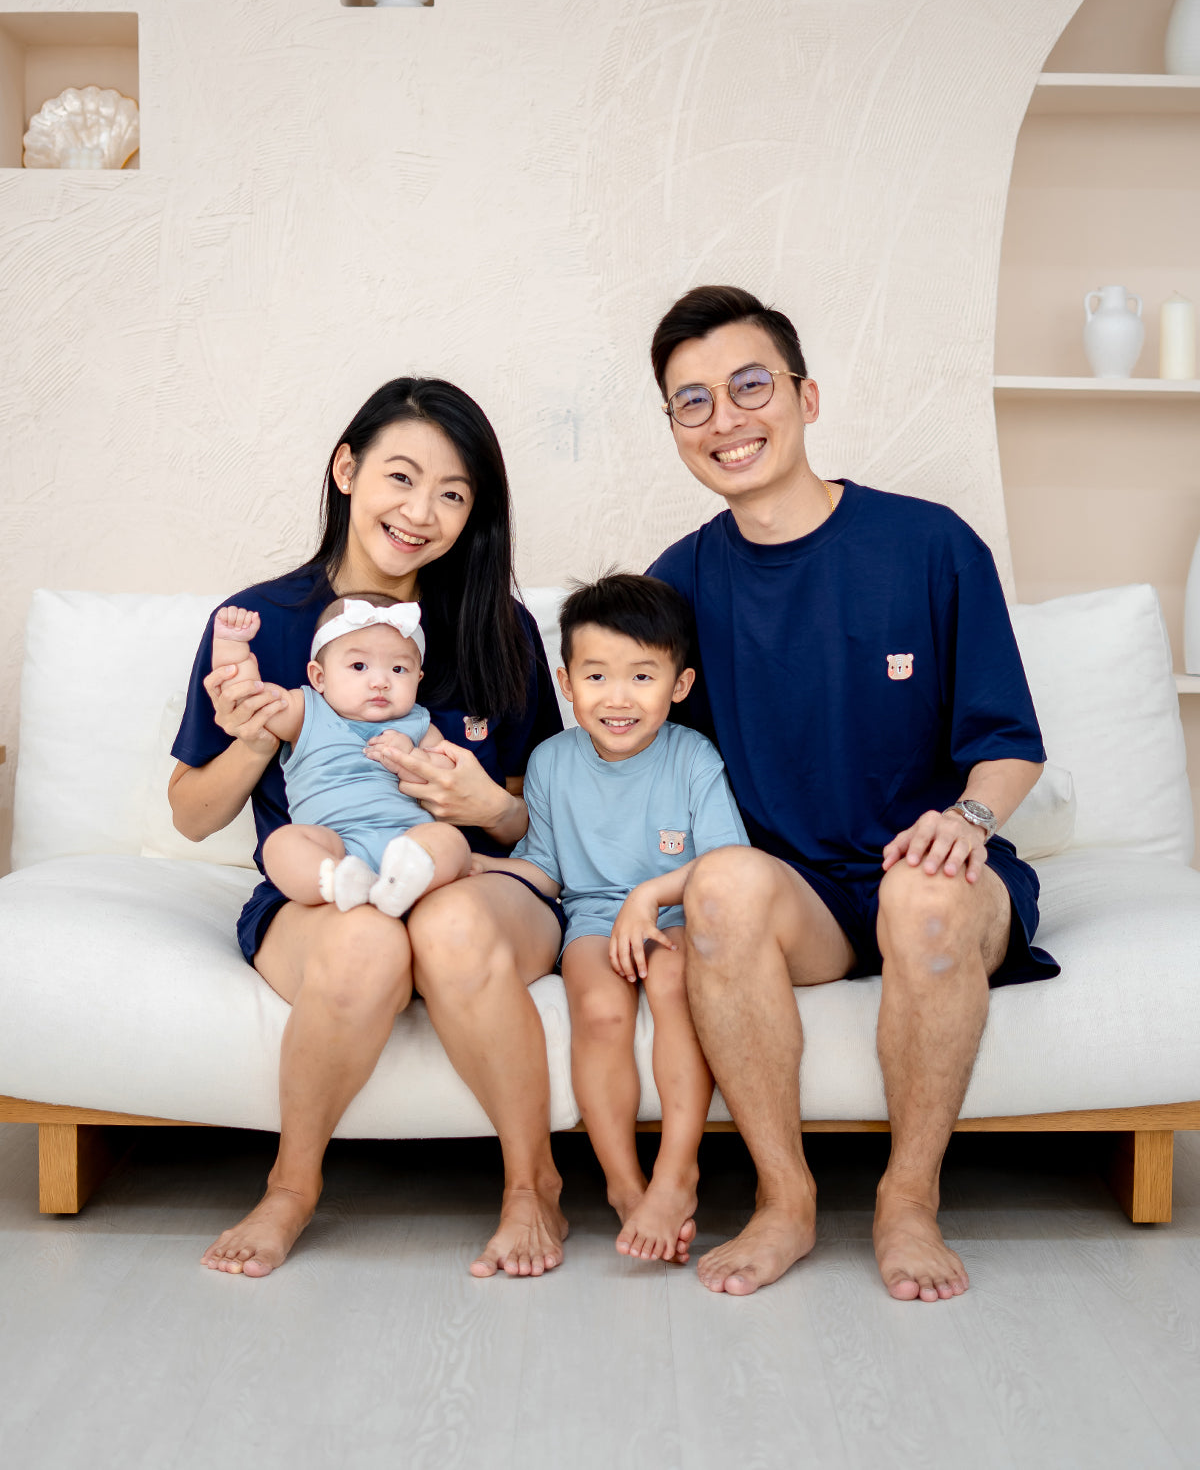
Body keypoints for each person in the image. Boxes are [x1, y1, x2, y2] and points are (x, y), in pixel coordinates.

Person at [645, 285, 1059, 1303]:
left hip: (935, 865)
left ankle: (907, 1202)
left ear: (807, 397)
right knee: (722, 887)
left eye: (750, 386)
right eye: (693, 401)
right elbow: (632, 755)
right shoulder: (677, 584)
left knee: (923, 895)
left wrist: (967, 821)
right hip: (806, 899)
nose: (725, 419)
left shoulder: (930, 545)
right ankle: (784, 1202)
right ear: (675, 428)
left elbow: (1011, 746)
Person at [169, 377, 569, 1279]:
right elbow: (191, 815)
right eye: (401, 477)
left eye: (454, 493)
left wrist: (484, 808)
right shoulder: (261, 623)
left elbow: (540, 819)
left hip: (474, 884)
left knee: (448, 922)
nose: (422, 513)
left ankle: (531, 1186)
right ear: (346, 470)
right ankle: (290, 1189)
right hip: (330, 889)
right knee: (366, 941)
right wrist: (255, 739)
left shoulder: (497, 627)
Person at [477, 574, 750, 1263]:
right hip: (593, 917)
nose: (618, 698)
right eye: (596, 676)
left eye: (642, 677)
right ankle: (626, 1186)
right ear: (566, 684)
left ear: (680, 686)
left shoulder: (693, 756)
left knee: (673, 984)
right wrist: (476, 868)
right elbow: (545, 868)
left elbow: (726, 864)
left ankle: (677, 1173)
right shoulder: (550, 762)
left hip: (678, 910)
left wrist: (651, 896)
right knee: (599, 1011)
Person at [210, 595, 470, 917]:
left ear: (418, 678)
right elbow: (250, 699)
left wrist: (412, 759)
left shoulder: (419, 724)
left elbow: (447, 778)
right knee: (281, 844)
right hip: (334, 843)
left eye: (398, 669)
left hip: (410, 841)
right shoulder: (306, 711)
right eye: (359, 666)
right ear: (319, 677)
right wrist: (232, 647)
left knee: (448, 839)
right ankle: (338, 881)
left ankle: (407, 882)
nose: (380, 682)